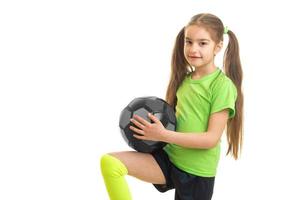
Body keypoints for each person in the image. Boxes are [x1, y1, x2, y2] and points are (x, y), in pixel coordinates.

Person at [100, 13, 244, 200]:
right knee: (110, 163)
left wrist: (163, 135)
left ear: (218, 47)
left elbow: (211, 139)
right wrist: (153, 132)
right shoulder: (184, 79)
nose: (193, 49)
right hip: (169, 158)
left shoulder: (222, 86)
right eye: (188, 41)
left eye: (202, 43)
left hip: (196, 172)